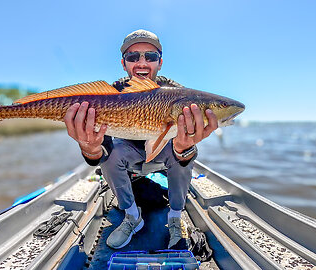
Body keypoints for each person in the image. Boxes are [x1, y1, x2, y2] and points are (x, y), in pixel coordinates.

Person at [64, 29, 217, 249]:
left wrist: (184, 147)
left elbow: (184, 147)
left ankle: (175, 215)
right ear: (123, 63)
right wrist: (90, 148)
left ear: (160, 62)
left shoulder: (177, 93)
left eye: (150, 56)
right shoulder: (111, 93)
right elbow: (101, 150)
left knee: (186, 151)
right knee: (110, 155)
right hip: (129, 151)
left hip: (164, 151)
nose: (142, 63)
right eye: (133, 57)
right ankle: (132, 216)